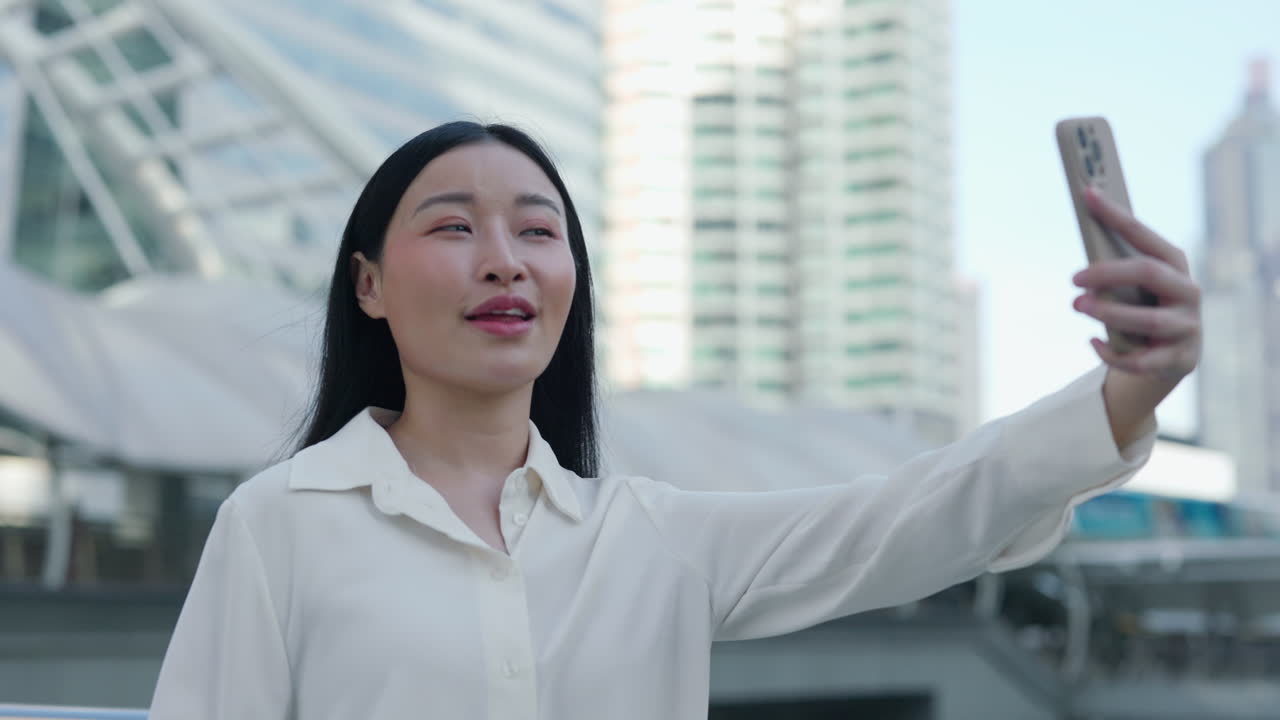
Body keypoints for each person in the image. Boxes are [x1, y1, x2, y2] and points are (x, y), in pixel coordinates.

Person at [147, 121, 1201, 718]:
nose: (504, 257)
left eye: (537, 229)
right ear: (368, 284)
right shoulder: (278, 522)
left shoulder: (647, 539)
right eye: (454, 225)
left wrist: (1127, 389)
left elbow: (909, 518)